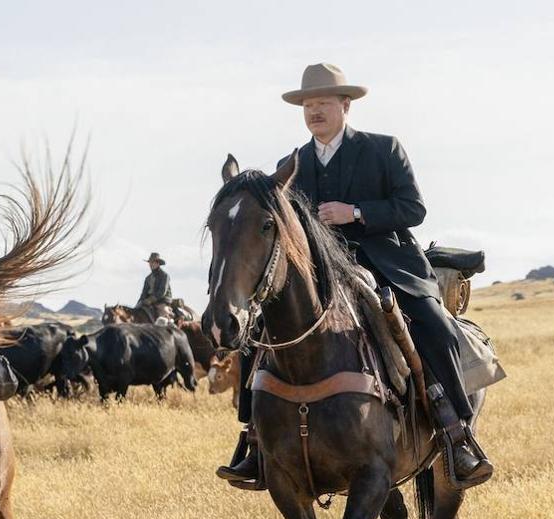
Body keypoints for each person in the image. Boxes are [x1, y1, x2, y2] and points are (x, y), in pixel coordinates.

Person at [218, 63, 493, 488]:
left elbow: (413, 209)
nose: (314, 112)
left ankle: (456, 434)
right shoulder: (291, 165)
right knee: (258, 337)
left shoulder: (384, 149)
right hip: (320, 277)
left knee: (436, 328)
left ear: (345, 105)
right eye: (308, 105)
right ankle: (252, 443)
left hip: (388, 266)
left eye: (323, 103)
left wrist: (356, 213)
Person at [136, 253, 172, 321]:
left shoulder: (165, 276)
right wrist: (140, 302)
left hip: (162, 300)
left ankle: (171, 327)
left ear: (158, 263)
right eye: (150, 262)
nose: (151, 264)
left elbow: (162, 292)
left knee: (164, 316)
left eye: (153, 262)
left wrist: (150, 300)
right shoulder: (148, 278)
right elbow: (144, 293)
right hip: (148, 301)